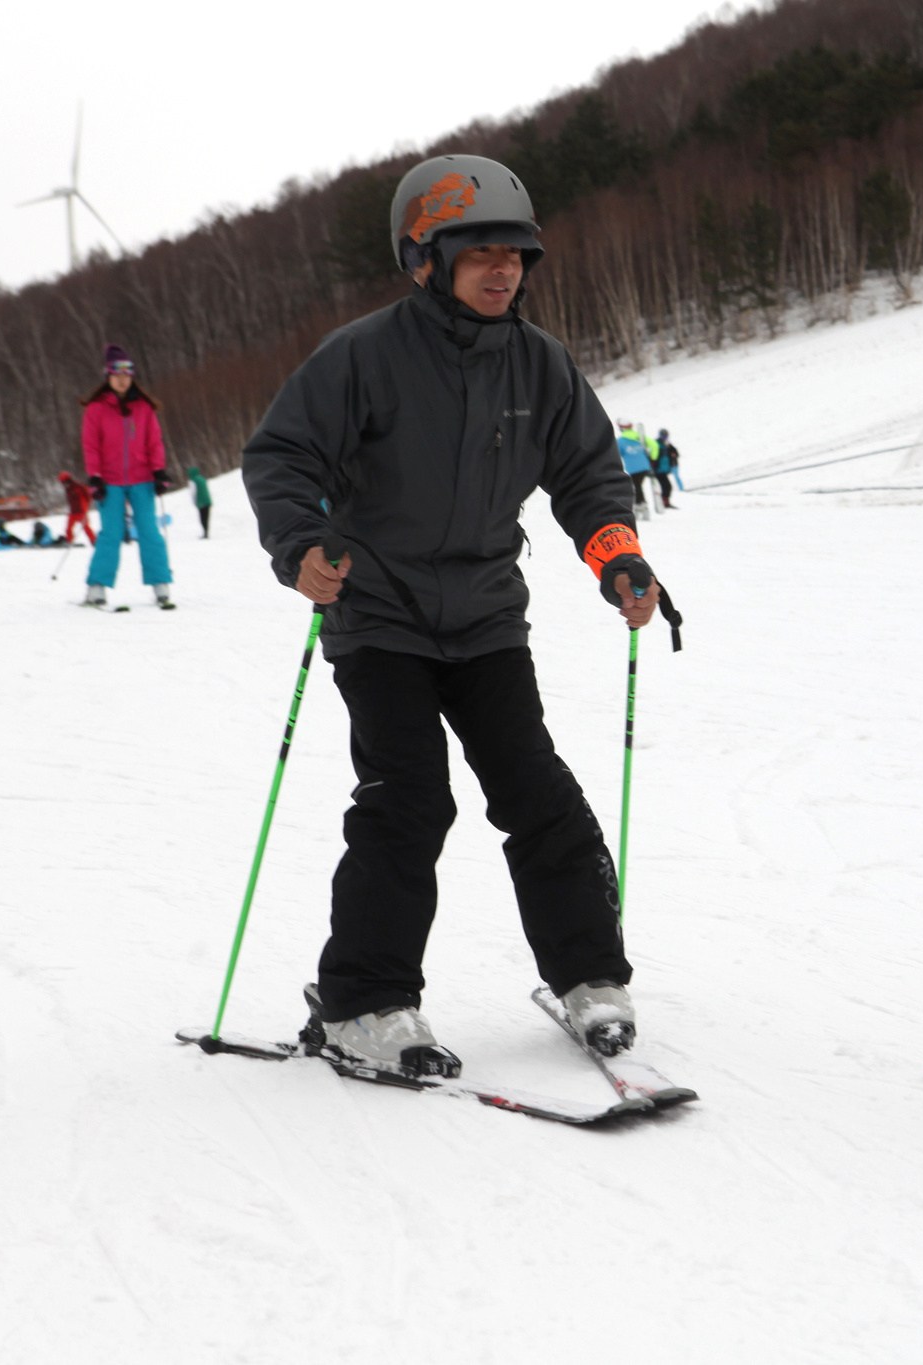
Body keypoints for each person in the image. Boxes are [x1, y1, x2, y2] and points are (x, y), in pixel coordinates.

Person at [241, 152, 663, 1077]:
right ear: (423, 258)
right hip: (379, 616)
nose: (502, 270)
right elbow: (281, 460)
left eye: (515, 253)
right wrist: (300, 547)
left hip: (483, 620)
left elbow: (589, 478)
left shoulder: (539, 363)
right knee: (409, 801)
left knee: (537, 793)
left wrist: (617, 558)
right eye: (477, 253)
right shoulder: (363, 355)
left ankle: (590, 973)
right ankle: (364, 1000)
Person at [81, 344, 175, 609]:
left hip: (142, 478)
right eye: (116, 374)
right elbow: (90, 445)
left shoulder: (144, 408)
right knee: (111, 532)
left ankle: (160, 584)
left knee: (149, 531)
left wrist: (158, 470)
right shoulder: (96, 409)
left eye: (127, 373)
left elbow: (154, 441)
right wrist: (95, 476)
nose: (122, 379)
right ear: (108, 376)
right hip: (109, 481)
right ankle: (97, 586)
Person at [616, 420, 653, 520]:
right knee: (638, 486)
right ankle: (641, 505)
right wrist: (653, 457)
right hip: (645, 466)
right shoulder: (640, 437)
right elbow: (654, 445)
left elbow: (617, 454)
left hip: (633, 468)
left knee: (637, 486)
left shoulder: (620, 441)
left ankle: (640, 506)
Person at [59, 471, 97, 546]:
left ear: (68, 480)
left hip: (81, 511)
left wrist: (86, 506)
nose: (63, 484)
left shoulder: (78, 487)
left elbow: (88, 496)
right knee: (68, 528)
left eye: (63, 482)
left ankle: (94, 541)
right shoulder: (68, 489)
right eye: (62, 482)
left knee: (86, 528)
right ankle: (69, 541)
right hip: (73, 512)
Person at [647, 427, 676, 510]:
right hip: (658, 469)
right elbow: (652, 455)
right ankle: (664, 502)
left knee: (667, 486)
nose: (665, 437)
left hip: (664, 469)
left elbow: (674, 452)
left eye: (666, 435)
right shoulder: (656, 443)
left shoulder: (667, 444)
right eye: (663, 435)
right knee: (666, 486)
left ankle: (665, 501)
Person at [186, 466, 214, 537]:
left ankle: (205, 533)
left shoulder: (193, 481)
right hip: (207, 500)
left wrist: (194, 502)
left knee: (202, 518)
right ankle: (206, 532)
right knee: (206, 517)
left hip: (201, 502)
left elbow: (193, 492)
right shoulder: (202, 478)